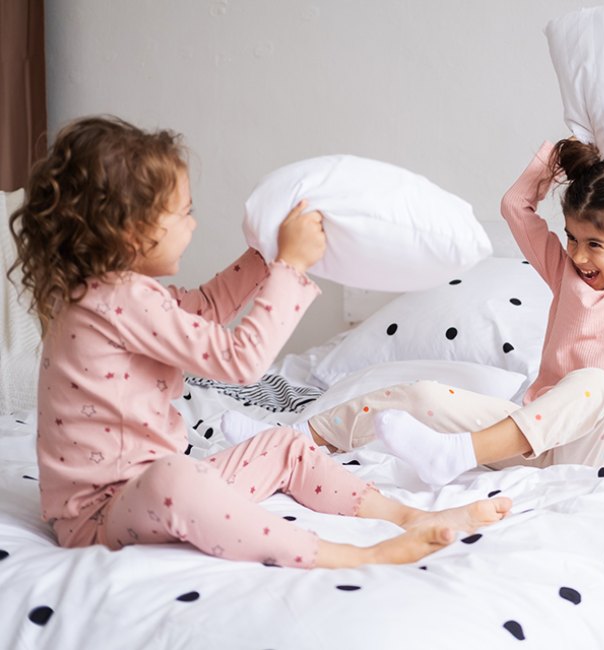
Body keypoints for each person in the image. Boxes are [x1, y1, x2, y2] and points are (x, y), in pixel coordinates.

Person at [8, 115, 511, 569]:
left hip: (139, 494)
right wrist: (290, 268)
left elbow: (201, 309)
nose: (194, 223)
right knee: (177, 480)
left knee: (285, 445)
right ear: (132, 232)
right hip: (101, 517)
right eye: (183, 213)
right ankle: (352, 555)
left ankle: (405, 516)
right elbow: (239, 361)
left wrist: (263, 254)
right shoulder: (115, 300)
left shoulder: (110, 294)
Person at [225, 120, 604, 486]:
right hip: (525, 444)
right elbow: (515, 206)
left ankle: (458, 454)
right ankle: (289, 437)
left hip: (598, 451)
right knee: (420, 394)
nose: (577, 255)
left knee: (593, 385)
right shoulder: (564, 273)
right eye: (572, 238)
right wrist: (556, 155)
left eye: (594, 244)